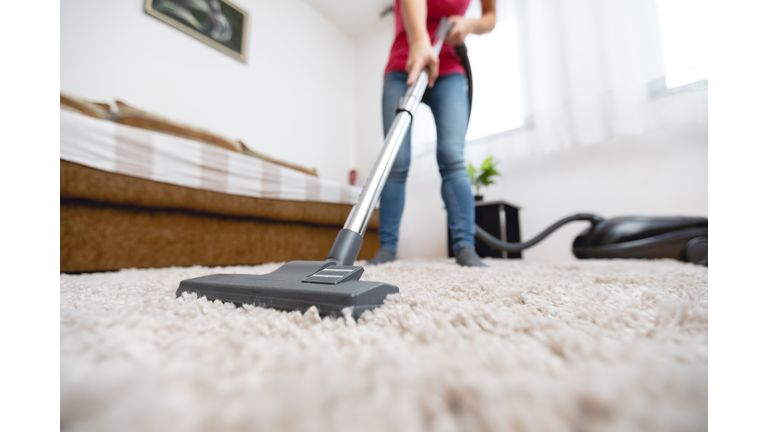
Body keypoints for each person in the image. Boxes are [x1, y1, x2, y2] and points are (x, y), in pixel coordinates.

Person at [368, 0, 497, 267]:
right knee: (395, 160)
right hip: (403, 64)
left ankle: (465, 247)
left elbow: (490, 16)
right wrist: (419, 41)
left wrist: (469, 24)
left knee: (452, 156)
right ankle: (387, 248)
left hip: (449, 68)